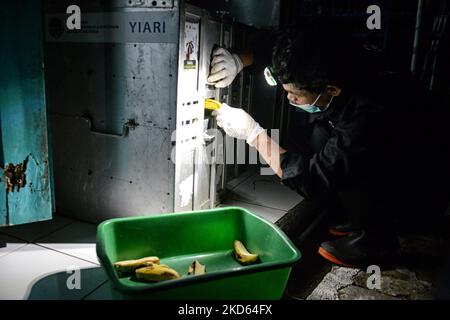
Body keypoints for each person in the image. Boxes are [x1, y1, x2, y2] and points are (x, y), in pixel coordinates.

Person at [207, 22, 450, 267]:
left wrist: (253, 133)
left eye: (295, 95)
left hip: (419, 172)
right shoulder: (318, 50)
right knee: (317, 134)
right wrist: (237, 60)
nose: (289, 98)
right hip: (376, 135)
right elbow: (272, 45)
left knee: (350, 167)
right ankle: (359, 216)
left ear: (332, 89)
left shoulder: (368, 115)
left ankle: (378, 240)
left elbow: (314, 178)